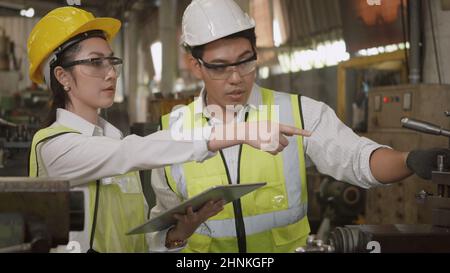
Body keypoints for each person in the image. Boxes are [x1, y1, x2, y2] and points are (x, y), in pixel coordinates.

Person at [148, 0, 450, 253]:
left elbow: (356, 157)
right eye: (219, 66)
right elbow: (159, 236)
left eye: (245, 61)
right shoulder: (174, 132)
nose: (236, 77)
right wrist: (178, 235)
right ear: (195, 64)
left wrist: (410, 160)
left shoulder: (297, 112)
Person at [27, 6, 308, 253]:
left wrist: (177, 235)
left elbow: (137, 242)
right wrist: (237, 132)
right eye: (94, 62)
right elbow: (133, 151)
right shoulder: (54, 147)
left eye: (111, 61)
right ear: (62, 76)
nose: (111, 72)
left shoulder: (113, 139)